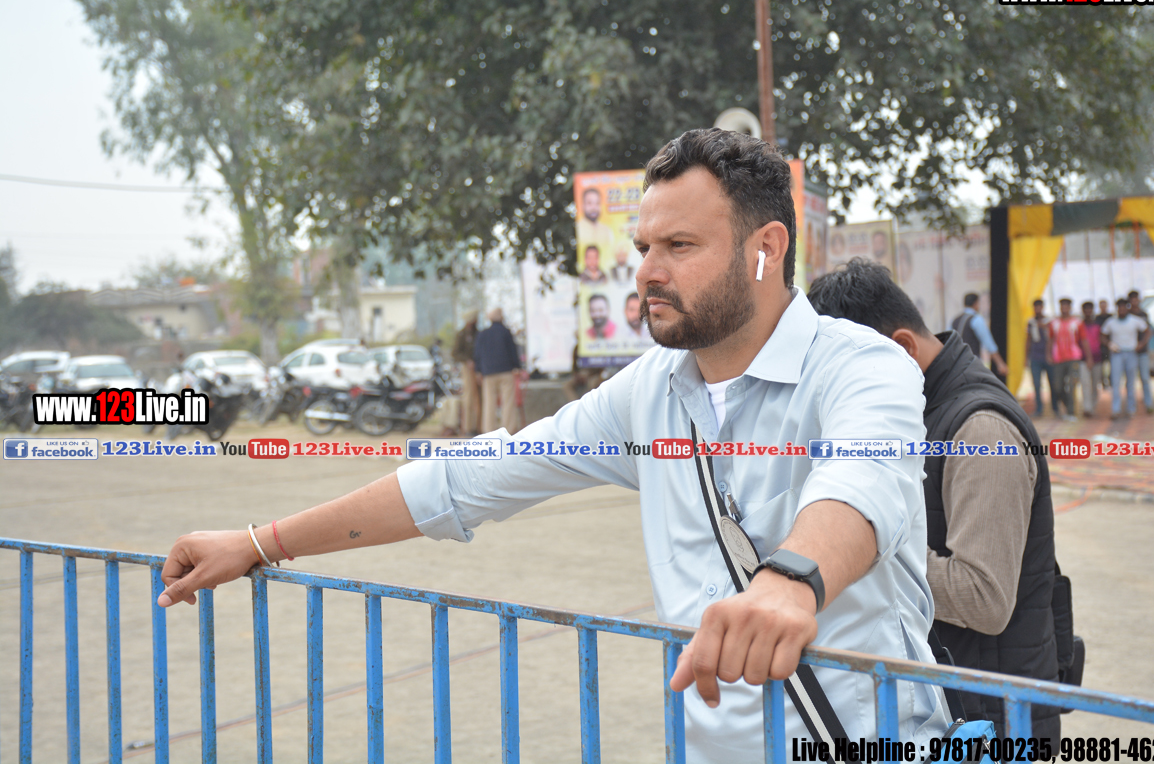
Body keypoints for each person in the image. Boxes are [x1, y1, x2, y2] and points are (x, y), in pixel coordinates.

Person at [155, 129, 950, 757]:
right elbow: (465, 480)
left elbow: (863, 482)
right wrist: (259, 542)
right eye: (643, 248)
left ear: (764, 249)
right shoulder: (649, 392)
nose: (647, 272)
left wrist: (790, 583)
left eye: (679, 247)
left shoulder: (861, 366)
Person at [808, 258, 1061, 740]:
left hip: (994, 719)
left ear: (903, 348)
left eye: (851, 373)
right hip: (950, 703)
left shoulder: (981, 430)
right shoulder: (914, 411)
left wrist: (858, 542)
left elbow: (984, 597)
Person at [474, 307, 522, 433]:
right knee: (508, 401)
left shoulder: (483, 334)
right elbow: (513, 351)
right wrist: (517, 367)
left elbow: (478, 354)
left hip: (488, 373)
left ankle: (488, 430)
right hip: (506, 371)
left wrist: (478, 370)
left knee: (489, 402)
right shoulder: (505, 332)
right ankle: (508, 429)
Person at [1102, 299, 1150, 419]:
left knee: (1130, 382)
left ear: (1127, 308)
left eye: (1124, 307)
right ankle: (1116, 409)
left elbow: (1148, 331)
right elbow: (1102, 335)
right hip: (1117, 354)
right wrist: (1109, 344)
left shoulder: (1134, 320)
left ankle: (1131, 408)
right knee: (1116, 382)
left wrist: (1141, 344)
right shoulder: (1111, 322)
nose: (1122, 309)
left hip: (1131, 353)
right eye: (1119, 307)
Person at [1047, 298, 1090, 421]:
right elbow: (1050, 340)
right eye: (1062, 306)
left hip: (1073, 358)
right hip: (1058, 358)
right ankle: (1067, 405)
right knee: (1057, 386)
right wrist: (1048, 354)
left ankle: (1071, 412)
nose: (1064, 309)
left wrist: (1088, 357)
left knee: (1072, 385)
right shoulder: (1054, 323)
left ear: (1070, 308)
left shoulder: (1077, 322)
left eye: (1066, 306)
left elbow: (1084, 340)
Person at [950, 294, 1008, 377]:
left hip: (955, 365)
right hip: (971, 364)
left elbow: (948, 340)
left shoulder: (954, 320)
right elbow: (989, 343)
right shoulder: (976, 319)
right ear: (976, 304)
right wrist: (1000, 364)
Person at [1127, 290, 1154, 408]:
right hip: (1131, 351)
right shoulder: (1127, 314)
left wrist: (1142, 344)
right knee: (1131, 380)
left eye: (1136, 299)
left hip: (1143, 351)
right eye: (1132, 299)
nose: (1134, 302)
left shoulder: (1143, 314)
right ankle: (1131, 406)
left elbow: (1148, 331)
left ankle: (1149, 403)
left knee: (1145, 378)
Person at [451, 311, 481, 435]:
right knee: (468, 397)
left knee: (479, 398)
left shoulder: (478, 333)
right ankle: (468, 427)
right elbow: (455, 353)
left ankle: (479, 426)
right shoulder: (462, 334)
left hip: (479, 368)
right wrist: (467, 361)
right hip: (467, 369)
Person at [1025, 299, 1051, 417]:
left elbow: (1052, 339)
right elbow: (1028, 340)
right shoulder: (1031, 322)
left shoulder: (1049, 322)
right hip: (1035, 357)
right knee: (1036, 383)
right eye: (1036, 307)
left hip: (1048, 357)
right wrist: (1026, 357)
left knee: (1052, 383)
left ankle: (1055, 407)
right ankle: (1039, 408)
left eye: (1039, 307)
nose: (1038, 309)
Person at [1078, 302, 1104, 418]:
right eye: (1086, 309)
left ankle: (1092, 406)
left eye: (1090, 309)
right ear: (1083, 311)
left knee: (1094, 384)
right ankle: (1087, 408)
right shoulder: (1079, 325)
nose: (1088, 311)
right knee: (1085, 384)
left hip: (1097, 359)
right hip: (1083, 359)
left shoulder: (1098, 325)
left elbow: (1101, 339)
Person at [577, 188, 614, 253]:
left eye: (597, 203)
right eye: (589, 203)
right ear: (583, 205)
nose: (594, 207)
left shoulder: (606, 230)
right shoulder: (578, 228)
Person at [1096, 299, 1113, 388]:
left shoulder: (1111, 317)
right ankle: (1103, 381)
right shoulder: (1097, 318)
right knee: (1102, 365)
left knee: (1112, 364)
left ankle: (1111, 380)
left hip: (1110, 344)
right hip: (1100, 345)